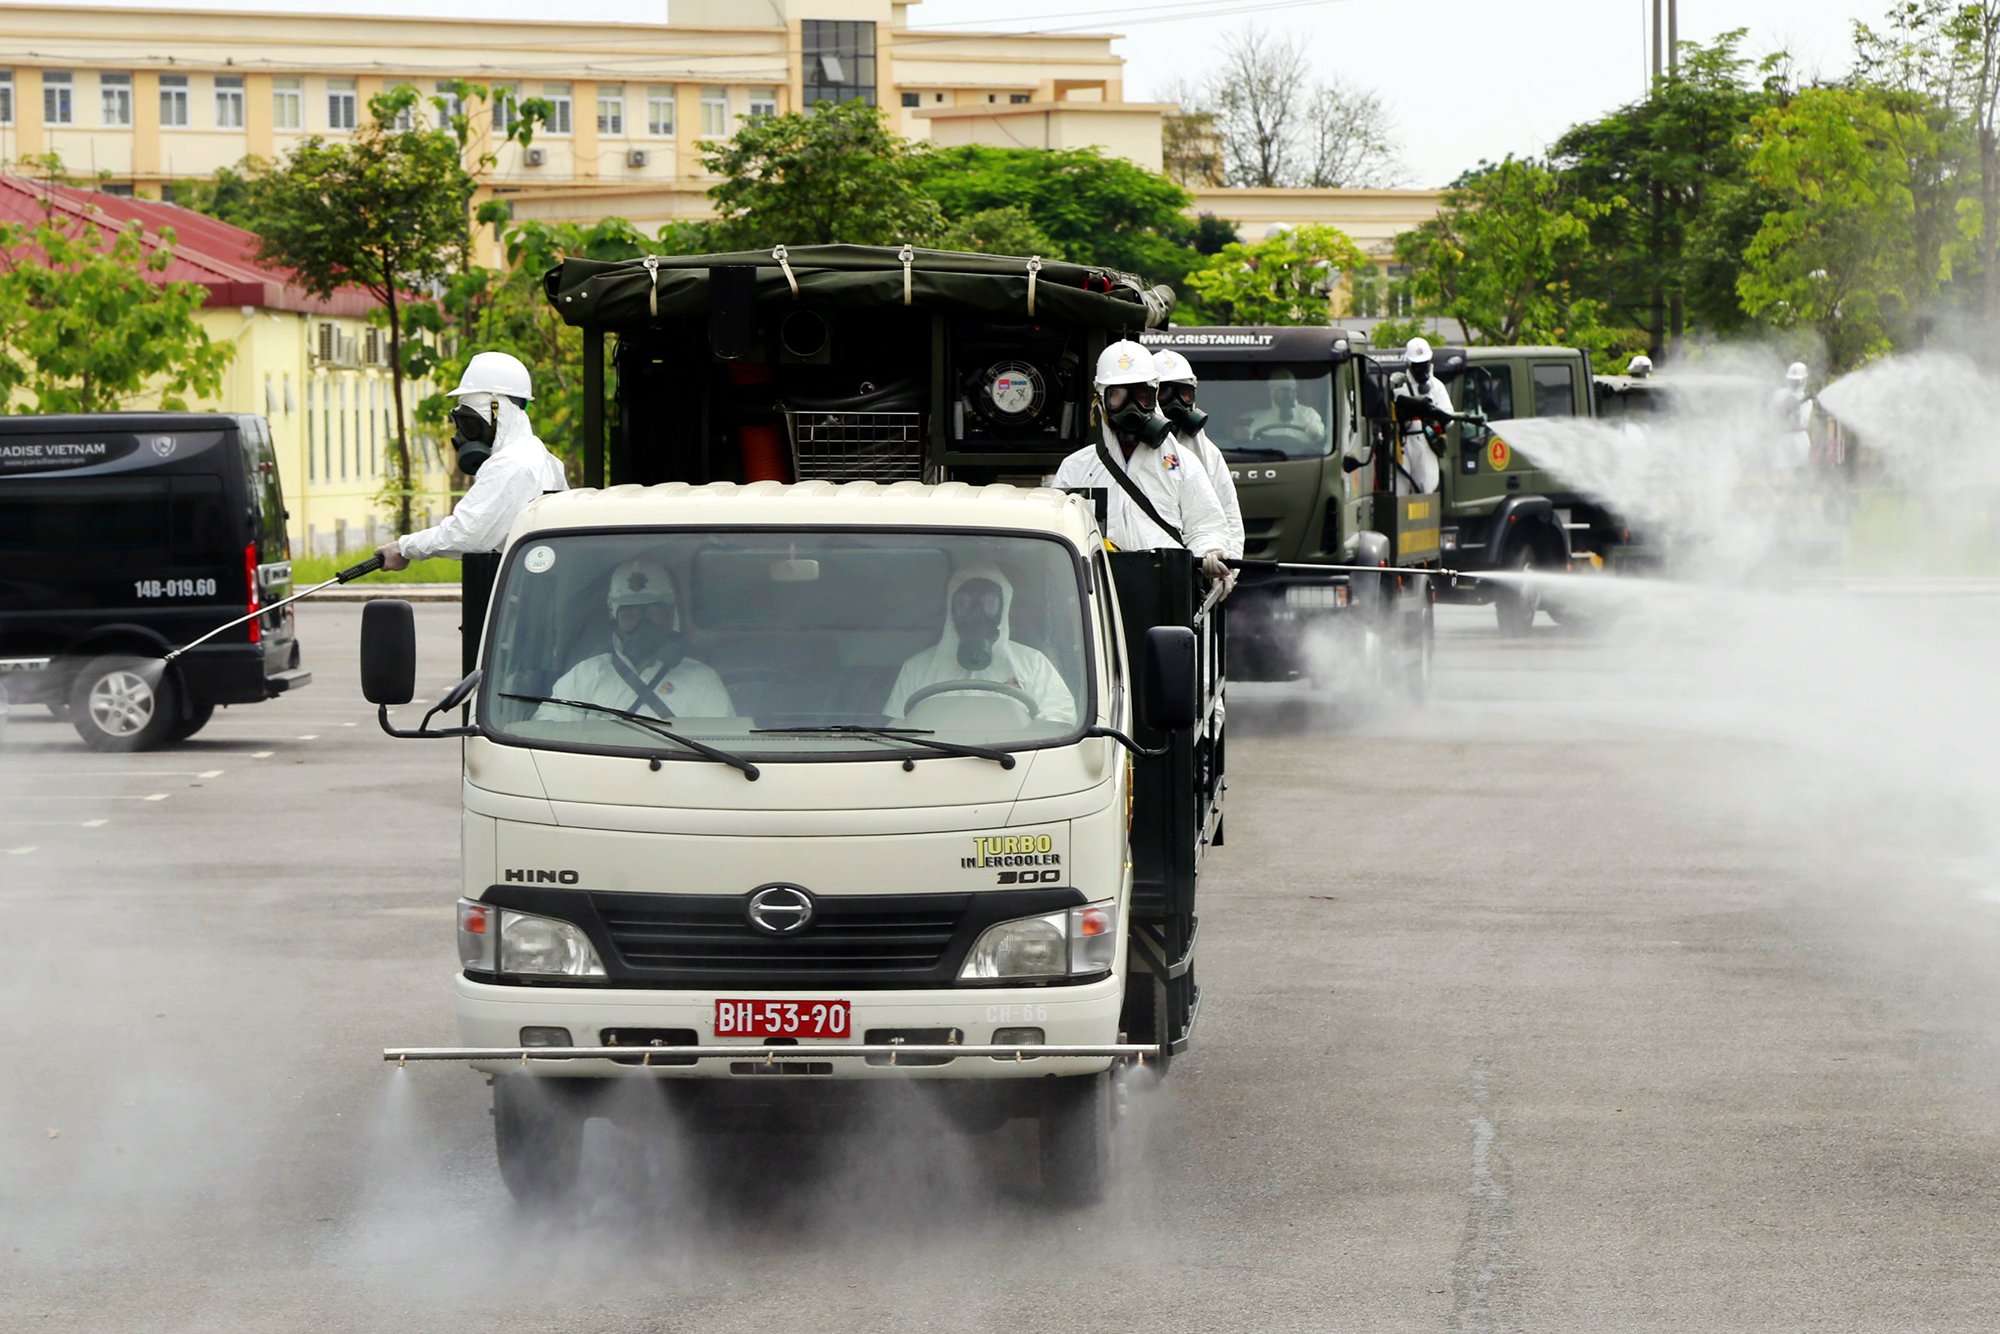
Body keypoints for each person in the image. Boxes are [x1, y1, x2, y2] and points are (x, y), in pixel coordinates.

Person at [1048, 341, 1233, 583]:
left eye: (1141, 396)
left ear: (1154, 396)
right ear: (1101, 400)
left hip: (1166, 590)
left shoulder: (1182, 464)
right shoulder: (1077, 468)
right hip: (1098, 593)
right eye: (1118, 396)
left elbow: (1206, 525)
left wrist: (1209, 550)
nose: (1132, 408)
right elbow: (1058, 533)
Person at [377, 351, 567, 569]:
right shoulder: (544, 457)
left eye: (469, 424)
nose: (462, 436)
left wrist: (404, 547)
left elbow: (466, 533)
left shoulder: (511, 464)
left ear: (498, 411)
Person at [538, 558, 733, 720]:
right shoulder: (583, 677)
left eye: (653, 612)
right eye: (631, 615)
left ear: (670, 614)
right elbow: (545, 735)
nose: (644, 624)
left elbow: (723, 748)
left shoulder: (702, 680)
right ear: (614, 617)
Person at [883, 563, 1076, 726]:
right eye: (964, 604)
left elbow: (1060, 723)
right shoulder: (917, 668)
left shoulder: (1033, 664)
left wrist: (1040, 727)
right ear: (951, 609)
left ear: (1004, 607)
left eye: (988, 603)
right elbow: (897, 734)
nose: (977, 614)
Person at [1153, 348, 1245, 560]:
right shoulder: (1138, 451)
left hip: (1195, 567)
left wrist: (1228, 566)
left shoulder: (1207, 454)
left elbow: (1228, 513)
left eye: (1183, 393)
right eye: (1164, 393)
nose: (1175, 402)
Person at [1391, 336, 1455, 496]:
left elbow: (1449, 419)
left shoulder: (1437, 387)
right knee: (1400, 490)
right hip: (1403, 443)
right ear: (1409, 365)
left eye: (1424, 365)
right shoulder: (1399, 387)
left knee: (1426, 489)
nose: (1421, 370)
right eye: (1417, 366)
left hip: (1426, 442)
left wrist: (1435, 413)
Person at [1243, 368, 1326, 441]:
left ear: (1295, 391)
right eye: (1282, 390)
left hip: (1302, 457)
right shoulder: (1258, 418)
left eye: (1290, 389)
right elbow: (1248, 439)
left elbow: (1320, 434)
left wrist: (1315, 432)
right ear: (1272, 392)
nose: (1287, 394)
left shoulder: (1308, 414)